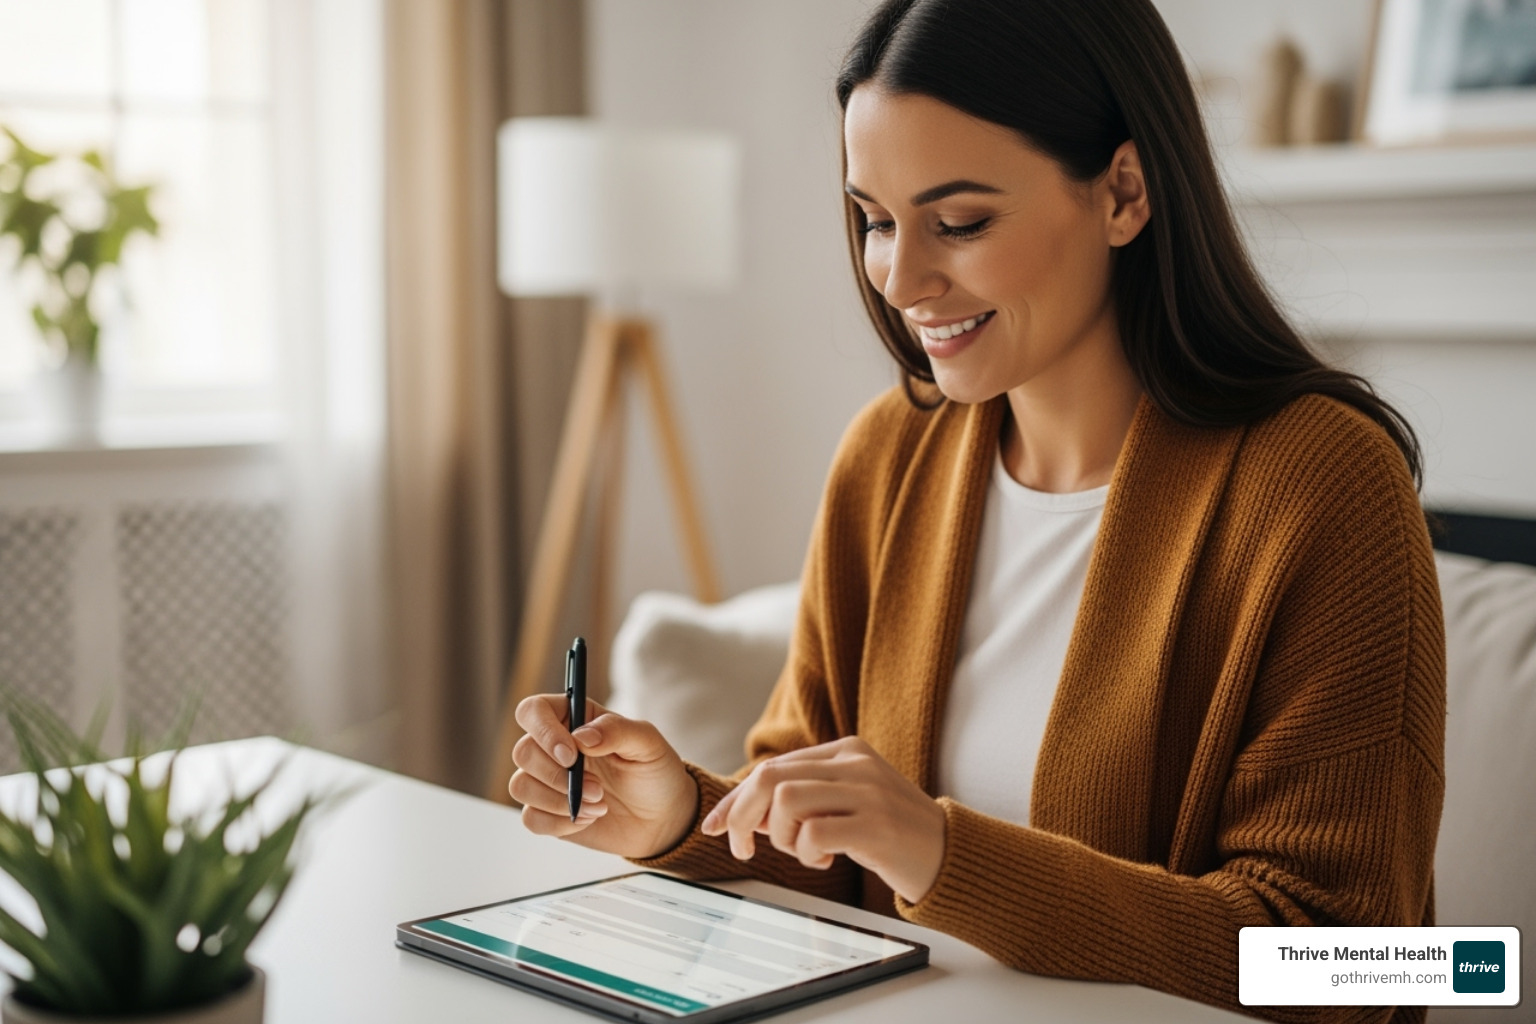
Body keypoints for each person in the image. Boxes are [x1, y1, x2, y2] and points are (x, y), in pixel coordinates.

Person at [508, 1, 1445, 1021]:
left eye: (958, 222)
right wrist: (682, 811)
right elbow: (819, 826)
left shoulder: (1323, 485)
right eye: (874, 218)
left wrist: (948, 852)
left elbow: (1361, 969)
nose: (900, 279)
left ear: (1124, 192)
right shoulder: (890, 455)